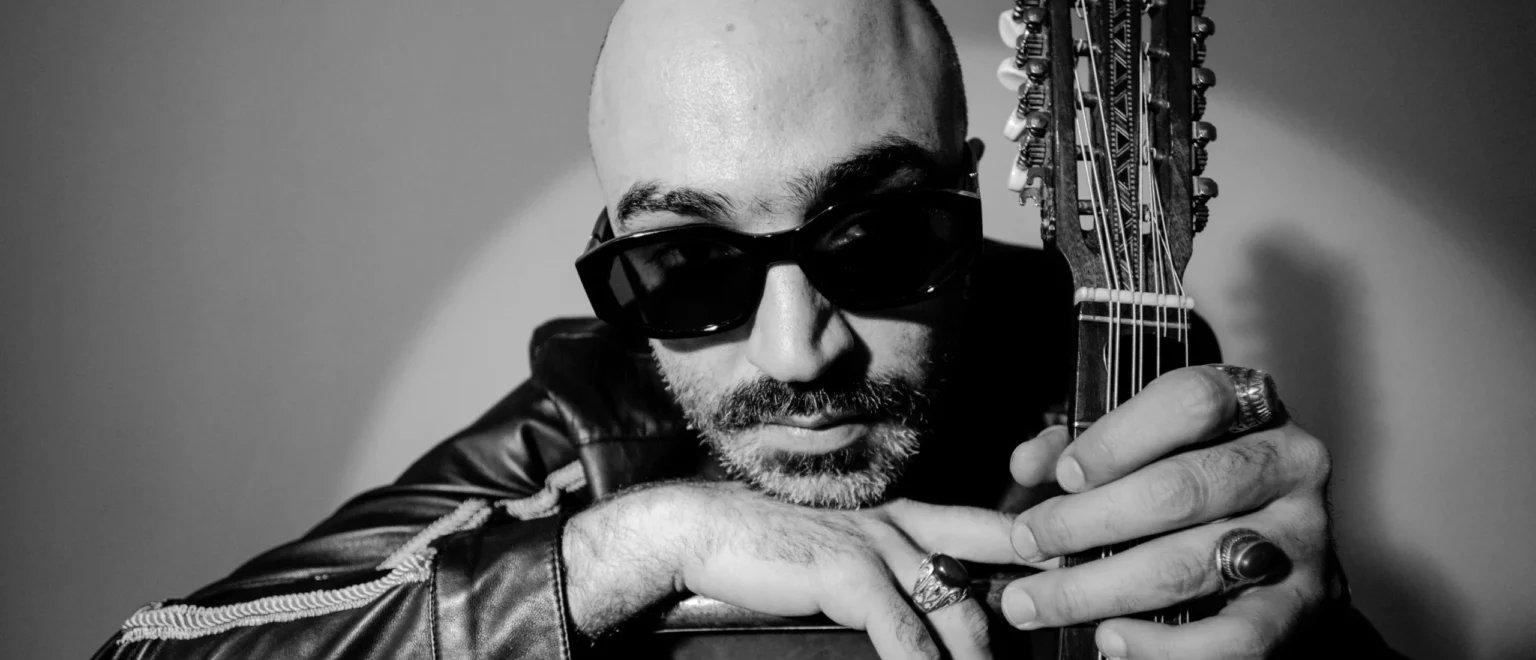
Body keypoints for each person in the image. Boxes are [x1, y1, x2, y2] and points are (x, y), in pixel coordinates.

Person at [93, 1, 1403, 658]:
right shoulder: (588, 430)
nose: (796, 351)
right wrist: (639, 542)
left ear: (967, 197)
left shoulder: (1119, 363)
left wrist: (1329, 643)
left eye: (875, 237)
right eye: (686, 265)